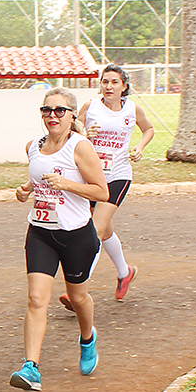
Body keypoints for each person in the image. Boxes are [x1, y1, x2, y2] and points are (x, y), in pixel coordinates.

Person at [9, 87, 109, 392]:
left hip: (76, 234)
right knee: (37, 299)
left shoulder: (80, 148)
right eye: (46, 110)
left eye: (59, 111)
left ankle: (87, 337)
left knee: (78, 298)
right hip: (40, 231)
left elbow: (102, 192)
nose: (52, 116)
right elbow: (39, 175)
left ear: (71, 116)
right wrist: (26, 189)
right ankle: (31, 368)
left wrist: (66, 184)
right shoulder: (33, 146)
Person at [59, 64, 154, 310]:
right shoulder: (90, 107)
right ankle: (125, 271)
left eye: (114, 82)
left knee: (95, 230)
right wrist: (86, 134)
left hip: (118, 175)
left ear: (124, 86)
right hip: (91, 176)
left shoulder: (133, 109)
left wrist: (140, 147)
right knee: (105, 230)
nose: (108, 86)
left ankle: (76, 291)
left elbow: (148, 129)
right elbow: (71, 134)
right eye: (105, 81)